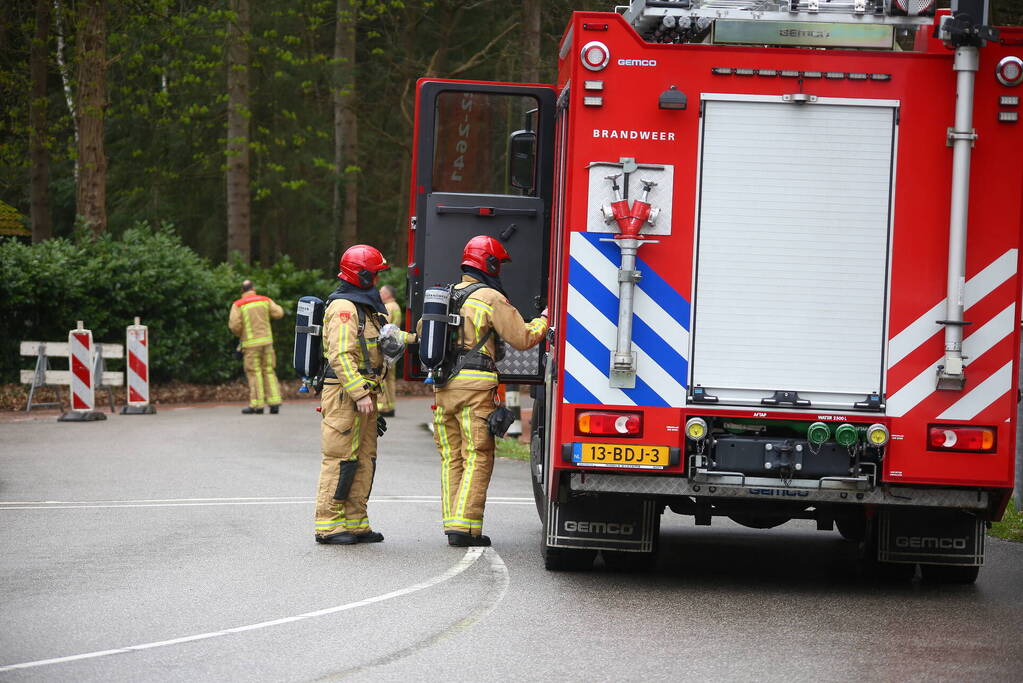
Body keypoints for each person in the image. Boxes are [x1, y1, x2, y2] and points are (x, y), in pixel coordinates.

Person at [432, 235, 548, 547]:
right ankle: (465, 527)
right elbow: (522, 337)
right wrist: (545, 321)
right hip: (475, 389)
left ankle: (452, 521)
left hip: (443, 389)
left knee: (451, 458)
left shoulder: (446, 295)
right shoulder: (489, 298)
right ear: (491, 264)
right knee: (477, 455)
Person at [314, 245, 414, 545]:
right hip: (346, 395)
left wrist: (422, 337)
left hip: (364, 394)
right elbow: (340, 355)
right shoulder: (345, 308)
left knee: (364, 459)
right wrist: (359, 393)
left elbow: (387, 339)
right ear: (362, 274)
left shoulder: (364, 308)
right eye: (375, 273)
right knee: (340, 458)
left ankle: (356, 522)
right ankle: (328, 525)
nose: (376, 279)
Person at [228, 280, 284, 415]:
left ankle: (257, 405)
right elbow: (279, 313)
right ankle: (274, 402)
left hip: (251, 345)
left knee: (254, 373)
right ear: (253, 288)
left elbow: (234, 325)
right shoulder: (265, 300)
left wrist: (242, 334)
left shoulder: (238, 305)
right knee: (269, 371)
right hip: (267, 342)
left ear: (242, 290)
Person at [377, 284, 402, 417]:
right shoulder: (396, 307)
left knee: (382, 377)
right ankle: (391, 405)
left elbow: (381, 326)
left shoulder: (387, 307)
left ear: (388, 294)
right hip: (394, 347)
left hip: (384, 347)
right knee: (390, 378)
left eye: (381, 292)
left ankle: (383, 407)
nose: (379, 294)